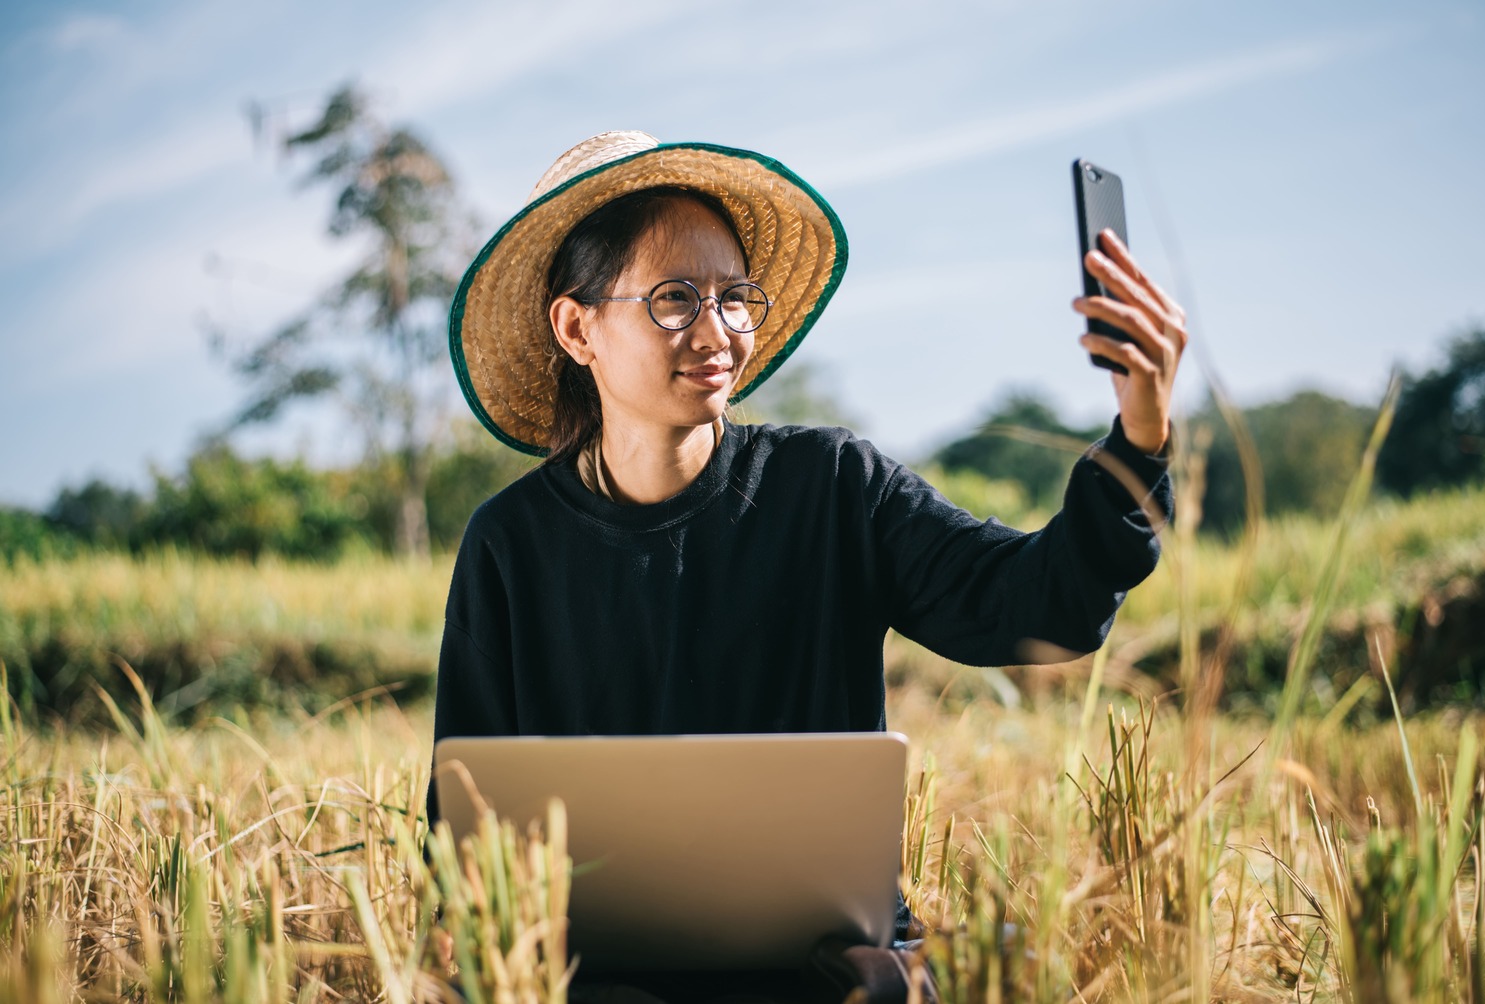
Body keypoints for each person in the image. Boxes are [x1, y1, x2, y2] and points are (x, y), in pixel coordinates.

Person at [430, 131, 1184, 1003]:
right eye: (674, 299)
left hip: (828, 967)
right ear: (577, 327)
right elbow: (464, 826)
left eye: (734, 297)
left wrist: (1140, 439)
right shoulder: (509, 545)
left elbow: (1041, 606)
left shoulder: (831, 486)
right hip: (604, 981)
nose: (717, 331)